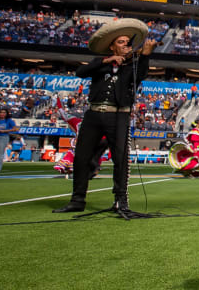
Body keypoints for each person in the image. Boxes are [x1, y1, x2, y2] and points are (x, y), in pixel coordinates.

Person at [54, 19, 155, 214]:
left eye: (128, 42)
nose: (126, 45)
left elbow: (141, 74)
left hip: (118, 116)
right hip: (94, 114)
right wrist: (106, 61)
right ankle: (77, 200)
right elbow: (80, 72)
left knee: (120, 158)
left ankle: (120, 201)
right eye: (121, 42)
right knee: (81, 157)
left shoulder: (132, 66)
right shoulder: (100, 63)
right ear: (111, 46)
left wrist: (144, 56)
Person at [0, 107, 18, 175]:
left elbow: (15, 129)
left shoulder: (9, 121)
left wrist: (5, 131)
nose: (2, 114)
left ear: (6, 114)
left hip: (3, 137)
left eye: (4, 112)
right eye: (1, 112)